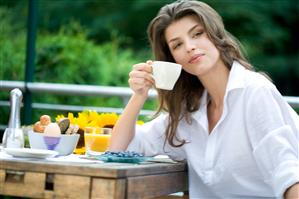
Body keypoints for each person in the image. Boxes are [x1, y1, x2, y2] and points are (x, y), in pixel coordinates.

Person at [108, 0, 299, 198]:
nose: (189, 47)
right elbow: (118, 150)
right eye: (177, 45)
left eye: (197, 34)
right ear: (173, 59)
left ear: (215, 34)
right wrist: (139, 96)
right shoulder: (187, 111)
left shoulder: (255, 92)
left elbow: (287, 173)